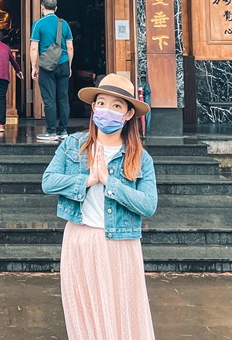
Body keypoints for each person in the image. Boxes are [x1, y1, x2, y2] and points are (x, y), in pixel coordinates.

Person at [41, 73, 158, 340]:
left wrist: (110, 183)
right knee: (84, 313)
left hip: (120, 244)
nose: (107, 111)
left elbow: (149, 204)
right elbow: (48, 182)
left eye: (117, 106)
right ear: (93, 107)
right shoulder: (73, 146)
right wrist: (87, 180)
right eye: (102, 103)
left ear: (128, 114)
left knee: (122, 312)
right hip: (80, 239)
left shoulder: (140, 158)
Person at [30, 0, 74, 142]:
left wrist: (33, 67)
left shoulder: (38, 24)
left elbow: (34, 47)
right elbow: (70, 47)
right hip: (63, 63)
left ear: (42, 7)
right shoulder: (64, 24)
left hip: (47, 65)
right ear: (56, 8)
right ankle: (63, 130)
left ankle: (51, 131)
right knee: (63, 98)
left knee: (49, 99)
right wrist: (69, 65)